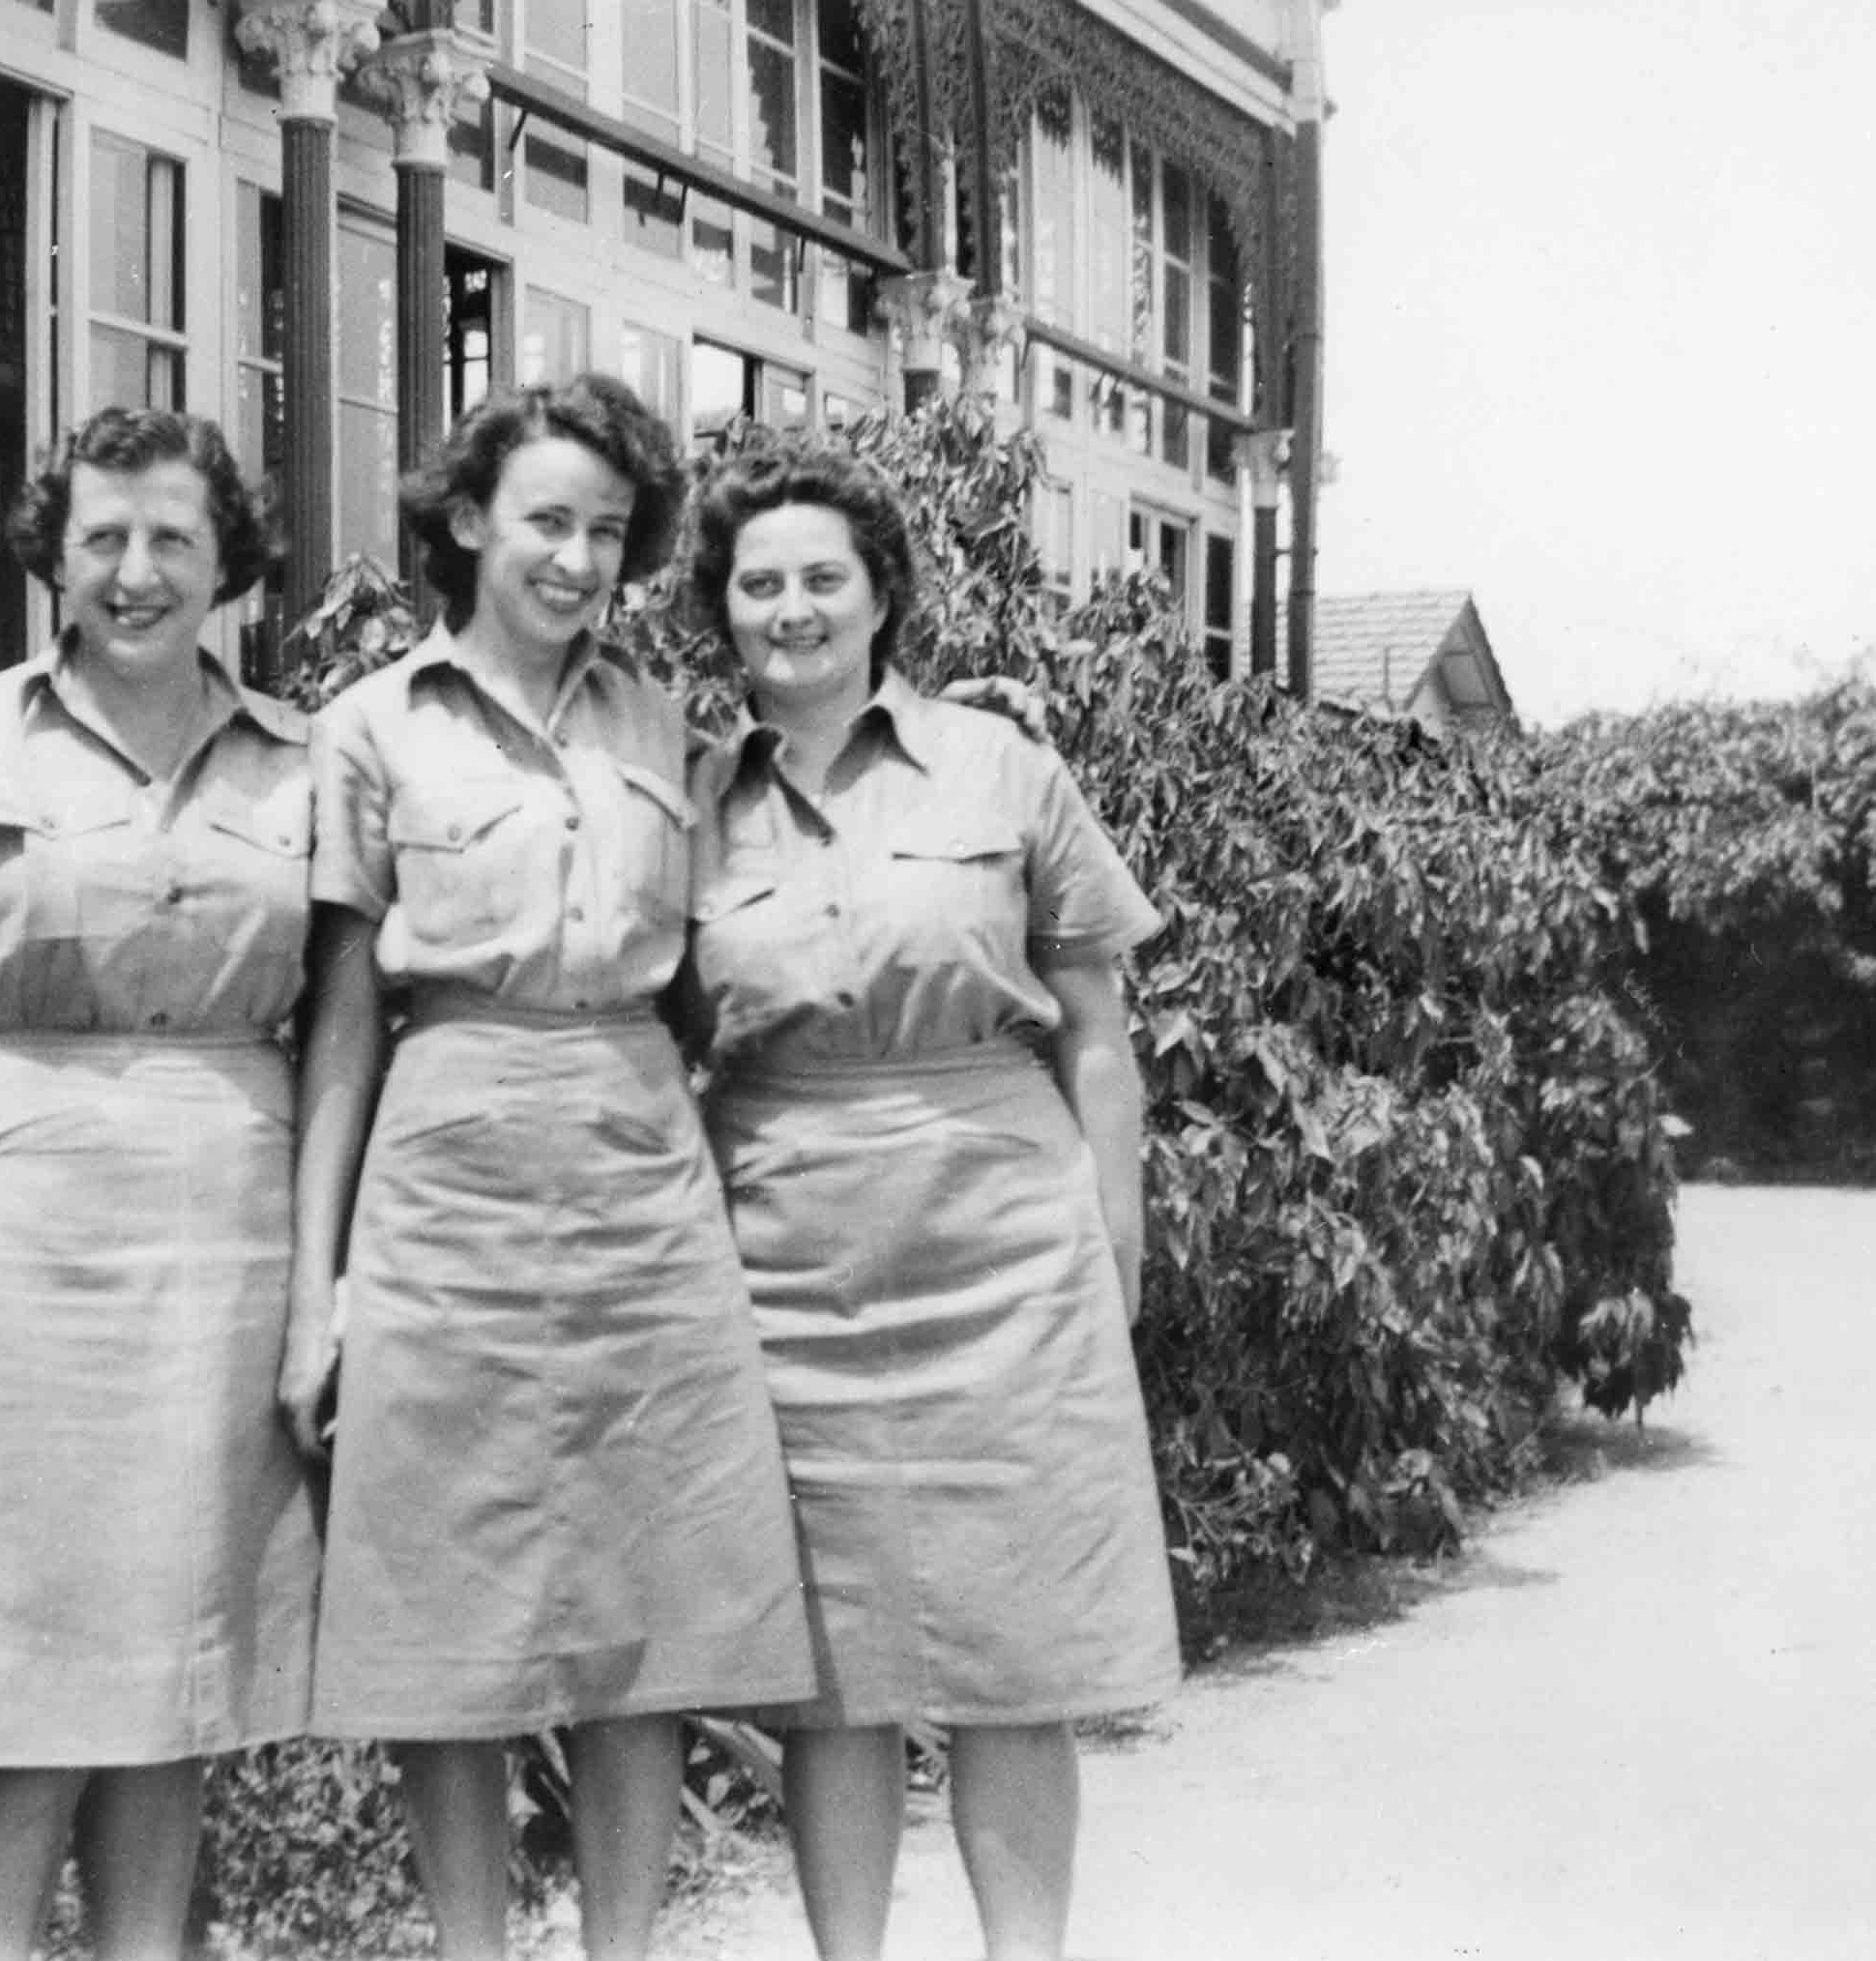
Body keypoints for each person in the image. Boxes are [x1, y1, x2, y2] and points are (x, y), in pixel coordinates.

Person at [287, 375, 812, 1961]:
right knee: (450, 1603)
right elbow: (336, 1020)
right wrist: (319, 1285)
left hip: (638, 1157)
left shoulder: (670, 730)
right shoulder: (372, 727)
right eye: (546, 522)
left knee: (636, 1606)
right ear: (467, 520)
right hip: (446, 1153)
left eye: (607, 531)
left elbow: (724, 983)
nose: (578, 559)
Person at [0, 407, 314, 1961]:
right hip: (15, 1244)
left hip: (224, 1244)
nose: (136, 572)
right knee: (21, 1682)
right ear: (52, 556)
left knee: (171, 1682)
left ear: (227, 557)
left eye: (172, 536)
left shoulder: (309, 762)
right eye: (102, 538)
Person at [677, 436, 1181, 1961]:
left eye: (823, 576)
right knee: (835, 1671)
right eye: (758, 583)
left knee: (1014, 1657)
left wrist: (1115, 1228)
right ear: (723, 612)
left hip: (1001, 1244)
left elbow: (1095, 1027)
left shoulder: (1001, 766)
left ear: (882, 592)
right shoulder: (690, 802)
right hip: (787, 1254)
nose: (792, 609)